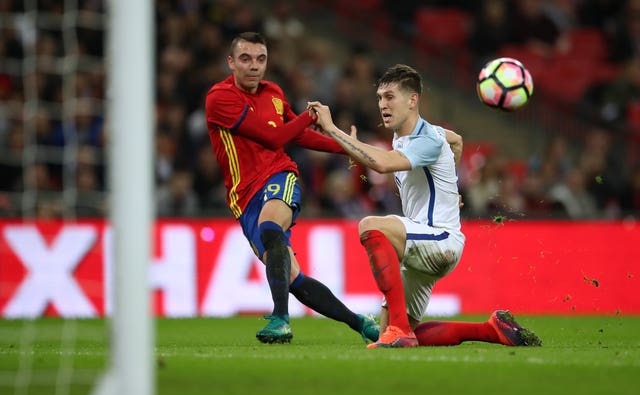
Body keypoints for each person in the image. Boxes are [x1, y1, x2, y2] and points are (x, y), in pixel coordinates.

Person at [309, 64, 542, 348]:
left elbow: (381, 163)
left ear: (412, 100)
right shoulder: (422, 135)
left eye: (390, 96)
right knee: (389, 339)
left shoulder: (427, 139)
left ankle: (399, 329)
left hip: (439, 239)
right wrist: (450, 187)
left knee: (370, 226)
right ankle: (490, 330)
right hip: (423, 243)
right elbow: (456, 141)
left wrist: (332, 129)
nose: (383, 104)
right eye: (380, 97)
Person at [204, 32, 379, 344]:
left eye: (261, 59)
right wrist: (310, 116)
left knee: (271, 228)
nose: (254, 66)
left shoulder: (273, 92)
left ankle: (280, 319)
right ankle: (361, 323)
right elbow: (275, 136)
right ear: (231, 62)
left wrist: (343, 146)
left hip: (279, 176)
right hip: (244, 199)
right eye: (245, 59)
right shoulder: (220, 99)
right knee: (294, 278)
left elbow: (294, 137)